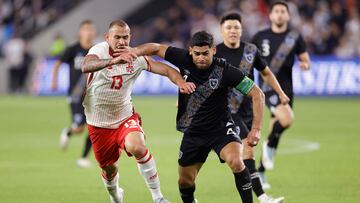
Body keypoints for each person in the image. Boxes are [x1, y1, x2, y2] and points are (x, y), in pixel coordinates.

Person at [133, 31, 265, 203]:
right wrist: (134, 51)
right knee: (185, 182)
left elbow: (257, 94)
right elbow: (155, 48)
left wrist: (256, 129)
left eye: (205, 53)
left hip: (221, 130)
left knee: (236, 161)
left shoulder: (226, 71)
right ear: (190, 51)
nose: (201, 58)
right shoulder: (183, 59)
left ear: (213, 50)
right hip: (193, 133)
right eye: (197, 54)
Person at [81, 20, 195, 203]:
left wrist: (180, 82)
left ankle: (158, 197)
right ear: (107, 37)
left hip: (125, 115)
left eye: (125, 37)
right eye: (116, 37)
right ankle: (115, 195)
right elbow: (85, 66)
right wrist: (113, 60)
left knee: (137, 146)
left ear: (130, 38)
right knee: (109, 169)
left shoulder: (136, 58)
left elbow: (165, 69)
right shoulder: (99, 50)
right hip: (98, 122)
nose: (121, 41)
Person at [215, 12, 287, 203]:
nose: (233, 31)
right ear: (221, 30)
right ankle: (262, 197)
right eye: (229, 27)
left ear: (241, 30)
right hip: (227, 110)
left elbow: (266, 73)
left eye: (236, 27)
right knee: (247, 151)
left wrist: (280, 92)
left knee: (244, 158)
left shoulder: (250, 50)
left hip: (249, 110)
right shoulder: (214, 52)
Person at [251, 0, 311, 188]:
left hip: (287, 89)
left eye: (282, 11)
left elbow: (305, 58)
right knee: (287, 119)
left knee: (278, 126)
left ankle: (261, 172)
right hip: (267, 88)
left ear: (287, 15)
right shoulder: (260, 36)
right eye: (276, 11)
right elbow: (248, 57)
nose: (279, 14)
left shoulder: (294, 37)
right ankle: (268, 143)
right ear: (270, 15)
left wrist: (305, 64)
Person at [51, 20, 96, 168]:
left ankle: (83, 158)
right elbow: (58, 63)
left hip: (92, 95)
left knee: (94, 126)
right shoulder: (73, 49)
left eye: (91, 29)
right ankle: (68, 131)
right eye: (86, 29)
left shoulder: (97, 50)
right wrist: (54, 81)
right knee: (79, 127)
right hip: (75, 94)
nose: (89, 32)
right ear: (80, 32)